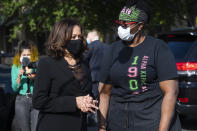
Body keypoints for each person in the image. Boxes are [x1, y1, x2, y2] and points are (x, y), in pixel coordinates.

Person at [98, 0, 181, 131]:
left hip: (151, 123)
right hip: (117, 124)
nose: (121, 27)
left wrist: (162, 129)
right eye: (120, 22)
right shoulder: (112, 50)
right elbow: (104, 93)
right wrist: (101, 128)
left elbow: (171, 92)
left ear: (140, 26)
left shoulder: (158, 48)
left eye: (126, 24)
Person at [32, 18, 98, 131]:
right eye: (73, 37)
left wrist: (90, 101)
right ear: (61, 38)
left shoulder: (84, 63)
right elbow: (38, 101)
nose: (77, 40)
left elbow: (86, 92)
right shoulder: (47, 63)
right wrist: (74, 102)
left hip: (80, 126)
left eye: (79, 37)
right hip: (53, 126)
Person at [11, 40, 39, 131]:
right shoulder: (15, 66)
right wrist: (19, 77)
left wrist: (34, 77)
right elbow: (15, 88)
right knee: (24, 128)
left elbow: (42, 83)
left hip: (35, 99)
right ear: (19, 56)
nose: (26, 57)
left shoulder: (36, 65)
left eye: (28, 55)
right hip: (21, 100)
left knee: (36, 128)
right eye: (24, 55)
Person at [85, 30, 107, 99]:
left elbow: (84, 59)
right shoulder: (107, 46)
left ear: (91, 37)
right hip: (105, 78)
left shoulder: (89, 47)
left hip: (93, 78)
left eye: (88, 37)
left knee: (95, 98)